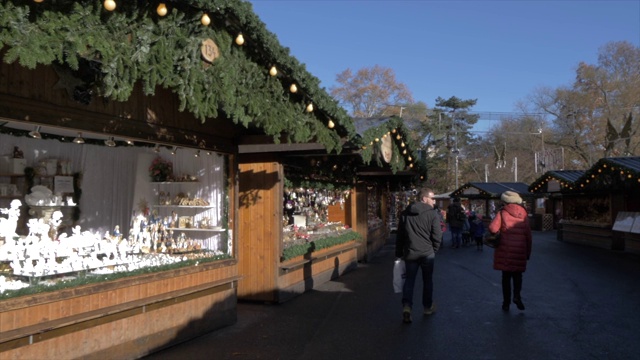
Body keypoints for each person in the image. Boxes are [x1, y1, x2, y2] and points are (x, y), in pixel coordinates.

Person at [395, 187, 442, 323]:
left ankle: (407, 307)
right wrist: (434, 249)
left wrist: (398, 253)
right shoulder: (432, 214)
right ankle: (427, 307)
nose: (434, 202)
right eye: (432, 198)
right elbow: (437, 235)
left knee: (409, 280)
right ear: (424, 198)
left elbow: (400, 236)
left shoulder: (405, 214)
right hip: (427, 253)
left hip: (410, 253)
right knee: (427, 281)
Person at [489, 191, 532, 312]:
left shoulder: (502, 213)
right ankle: (517, 296)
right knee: (518, 275)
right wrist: (528, 252)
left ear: (505, 201)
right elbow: (528, 235)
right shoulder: (524, 214)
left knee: (506, 277)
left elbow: (492, 228)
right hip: (520, 249)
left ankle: (506, 303)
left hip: (506, 249)